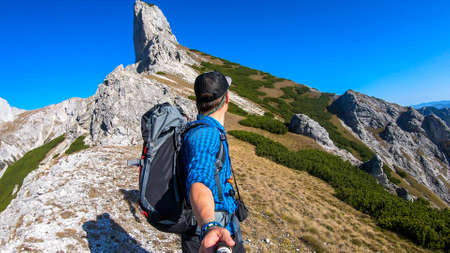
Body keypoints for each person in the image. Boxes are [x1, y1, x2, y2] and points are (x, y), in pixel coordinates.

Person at [181, 71, 245, 253]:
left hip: (211, 228)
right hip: (213, 236)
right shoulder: (206, 135)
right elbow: (199, 181)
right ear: (227, 98)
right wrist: (210, 226)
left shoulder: (204, 131)